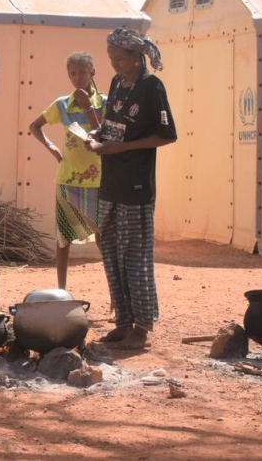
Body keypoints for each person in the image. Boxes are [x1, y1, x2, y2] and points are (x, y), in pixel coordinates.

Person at [86, 28, 176, 350]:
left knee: (135, 255)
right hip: (111, 183)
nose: (114, 65)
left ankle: (142, 326)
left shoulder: (152, 88)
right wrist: (96, 136)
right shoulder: (115, 84)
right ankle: (123, 321)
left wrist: (120, 149)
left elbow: (166, 136)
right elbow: (113, 122)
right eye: (111, 60)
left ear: (136, 58)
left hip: (136, 187)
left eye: (119, 59)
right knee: (109, 249)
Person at [29, 51, 106, 290]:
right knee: (63, 240)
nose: (77, 77)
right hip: (68, 180)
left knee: (104, 238)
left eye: (82, 72)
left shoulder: (105, 103)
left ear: (92, 72)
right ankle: (61, 292)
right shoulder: (62, 104)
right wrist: (52, 148)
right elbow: (35, 126)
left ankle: (116, 294)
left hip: (99, 181)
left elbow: (105, 134)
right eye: (73, 73)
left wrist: (88, 109)